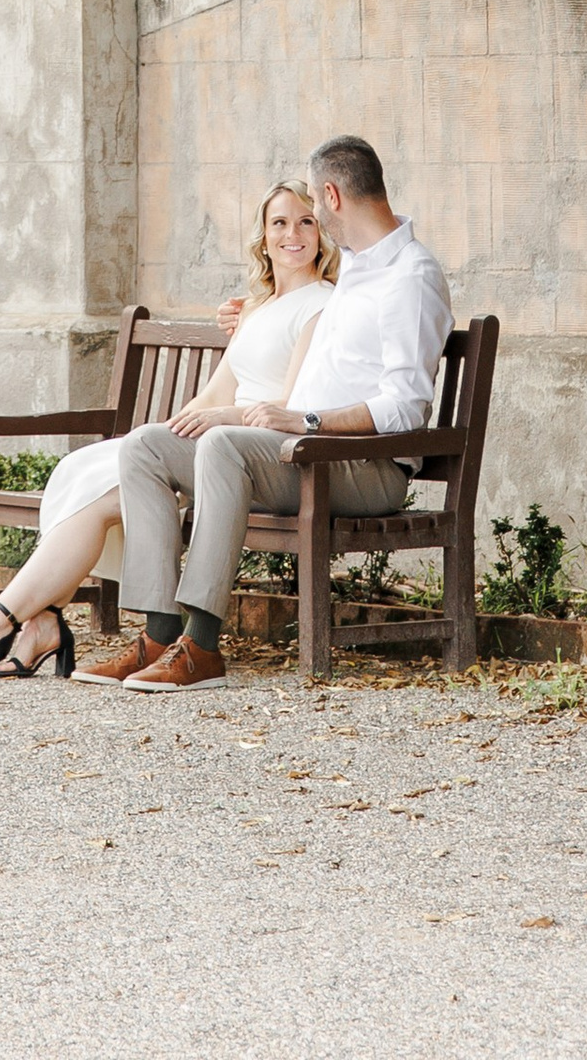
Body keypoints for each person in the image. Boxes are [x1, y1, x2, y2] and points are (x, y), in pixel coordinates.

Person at [75, 132, 452, 692]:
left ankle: (201, 647)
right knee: (147, 446)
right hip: (302, 453)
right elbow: (297, 309)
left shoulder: (410, 278)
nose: (314, 220)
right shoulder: (357, 264)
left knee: (223, 445)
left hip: (363, 468)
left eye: (315, 208)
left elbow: (405, 407)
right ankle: (158, 636)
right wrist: (246, 318)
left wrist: (306, 421)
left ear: (332, 195)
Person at [0, 182, 337, 677]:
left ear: (323, 233)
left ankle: (12, 620)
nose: (293, 234)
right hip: (220, 438)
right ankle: (40, 623)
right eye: (280, 223)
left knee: (103, 488)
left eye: (306, 221)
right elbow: (217, 392)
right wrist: (175, 428)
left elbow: (289, 405)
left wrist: (212, 423)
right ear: (263, 238)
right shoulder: (254, 308)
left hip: (258, 450)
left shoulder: (323, 303)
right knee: (104, 464)